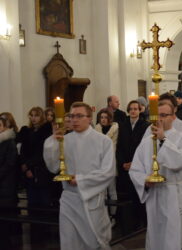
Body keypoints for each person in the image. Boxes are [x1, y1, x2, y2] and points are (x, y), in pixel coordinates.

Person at [129, 101, 182, 250]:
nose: (159, 119)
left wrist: (163, 140)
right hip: (155, 196)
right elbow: (135, 169)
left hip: (175, 194)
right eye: (156, 115)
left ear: (173, 116)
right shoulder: (146, 142)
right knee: (156, 236)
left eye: (163, 115)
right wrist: (145, 181)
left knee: (175, 237)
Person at [44, 102, 116, 250]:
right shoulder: (65, 140)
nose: (74, 120)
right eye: (71, 116)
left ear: (89, 118)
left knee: (94, 242)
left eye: (79, 116)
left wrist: (81, 180)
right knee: (69, 242)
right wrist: (53, 141)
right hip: (69, 200)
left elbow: (108, 172)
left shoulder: (103, 141)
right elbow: (53, 167)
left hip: (91, 199)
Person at [116, 100, 149, 229]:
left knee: (139, 194)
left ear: (140, 110)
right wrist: (123, 162)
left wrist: (134, 163)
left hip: (138, 165)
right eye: (131, 109)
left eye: (136, 109)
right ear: (128, 111)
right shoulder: (123, 125)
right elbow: (119, 146)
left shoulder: (145, 125)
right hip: (125, 165)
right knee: (129, 195)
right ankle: (131, 222)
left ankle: (143, 221)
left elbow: (143, 147)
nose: (133, 111)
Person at [95, 108, 118, 224]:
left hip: (111, 160)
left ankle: (113, 216)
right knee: (102, 190)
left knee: (112, 189)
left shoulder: (115, 128)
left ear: (109, 118)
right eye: (101, 117)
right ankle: (103, 216)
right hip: (99, 162)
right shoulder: (96, 129)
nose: (103, 120)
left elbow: (112, 145)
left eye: (105, 117)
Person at [0, 116, 18, 250]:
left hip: (5, 186)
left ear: (5, 126)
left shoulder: (9, 142)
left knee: (4, 222)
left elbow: (10, 163)